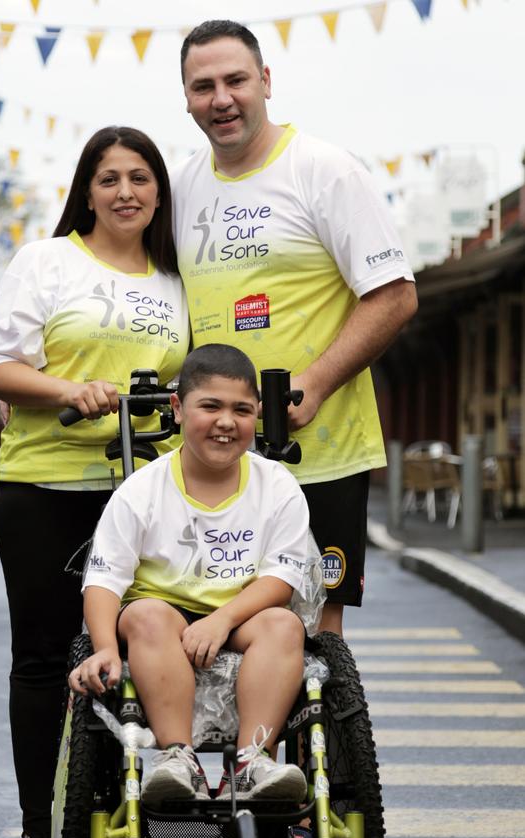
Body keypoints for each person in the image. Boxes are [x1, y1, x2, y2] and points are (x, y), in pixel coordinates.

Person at [0, 126, 189, 838]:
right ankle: (42, 832)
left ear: (159, 190)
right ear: (87, 190)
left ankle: (140, 808)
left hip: (145, 495)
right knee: (41, 658)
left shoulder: (175, 279)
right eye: (109, 179)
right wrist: (73, 389)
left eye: (140, 177)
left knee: (141, 644)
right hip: (44, 486)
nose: (125, 191)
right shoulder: (47, 260)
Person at [171, 20, 418, 637]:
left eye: (235, 80)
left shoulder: (325, 170)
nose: (221, 99)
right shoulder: (180, 188)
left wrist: (317, 380)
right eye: (203, 86)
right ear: (186, 97)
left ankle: (316, 739)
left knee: (315, 631)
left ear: (266, 81)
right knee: (217, 621)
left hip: (321, 452)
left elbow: (394, 296)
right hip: (218, 454)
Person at [69, 343, 313, 804]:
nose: (226, 422)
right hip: (161, 612)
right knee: (146, 617)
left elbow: (282, 577)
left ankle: (252, 761)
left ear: (258, 414)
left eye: (242, 410)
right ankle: (178, 758)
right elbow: (104, 579)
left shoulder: (277, 484)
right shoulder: (142, 490)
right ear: (178, 409)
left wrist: (221, 621)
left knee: (284, 623)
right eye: (211, 406)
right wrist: (103, 648)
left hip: (242, 613)